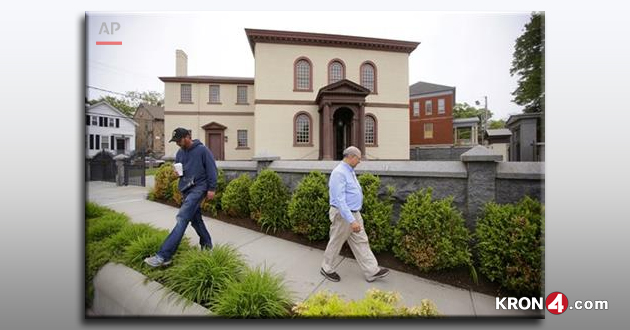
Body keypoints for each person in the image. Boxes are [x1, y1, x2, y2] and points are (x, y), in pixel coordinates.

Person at [144, 127, 218, 267]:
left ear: (188, 136)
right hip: (186, 189)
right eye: (175, 141)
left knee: (182, 218)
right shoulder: (180, 153)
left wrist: (212, 188)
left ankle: (164, 256)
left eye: (179, 140)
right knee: (196, 221)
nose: (177, 143)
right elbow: (181, 172)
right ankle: (207, 246)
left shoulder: (202, 150)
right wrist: (177, 174)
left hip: (199, 188)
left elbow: (211, 169)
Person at [320, 146, 390, 282]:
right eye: (358, 158)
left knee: (361, 241)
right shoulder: (339, 173)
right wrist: (352, 220)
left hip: (354, 213)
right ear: (351, 157)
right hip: (343, 215)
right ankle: (326, 268)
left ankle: (371, 271)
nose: (359, 161)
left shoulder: (349, 171)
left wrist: (354, 217)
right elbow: (340, 200)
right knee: (336, 241)